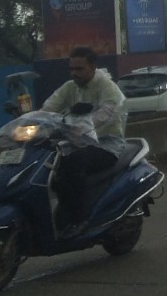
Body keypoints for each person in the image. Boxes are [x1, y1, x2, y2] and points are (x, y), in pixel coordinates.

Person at [42, 45, 128, 232]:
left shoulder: (108, 88)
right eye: (72, 69)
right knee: (46, 167)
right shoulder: (70, 87)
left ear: (93, 67)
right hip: (76, 143)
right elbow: (49, 107)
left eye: (79, 69)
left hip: (106, 144)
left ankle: (80, 219)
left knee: (72, 164)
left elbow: (105, 114)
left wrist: (81, 126)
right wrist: (34, 121)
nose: (74, 73)